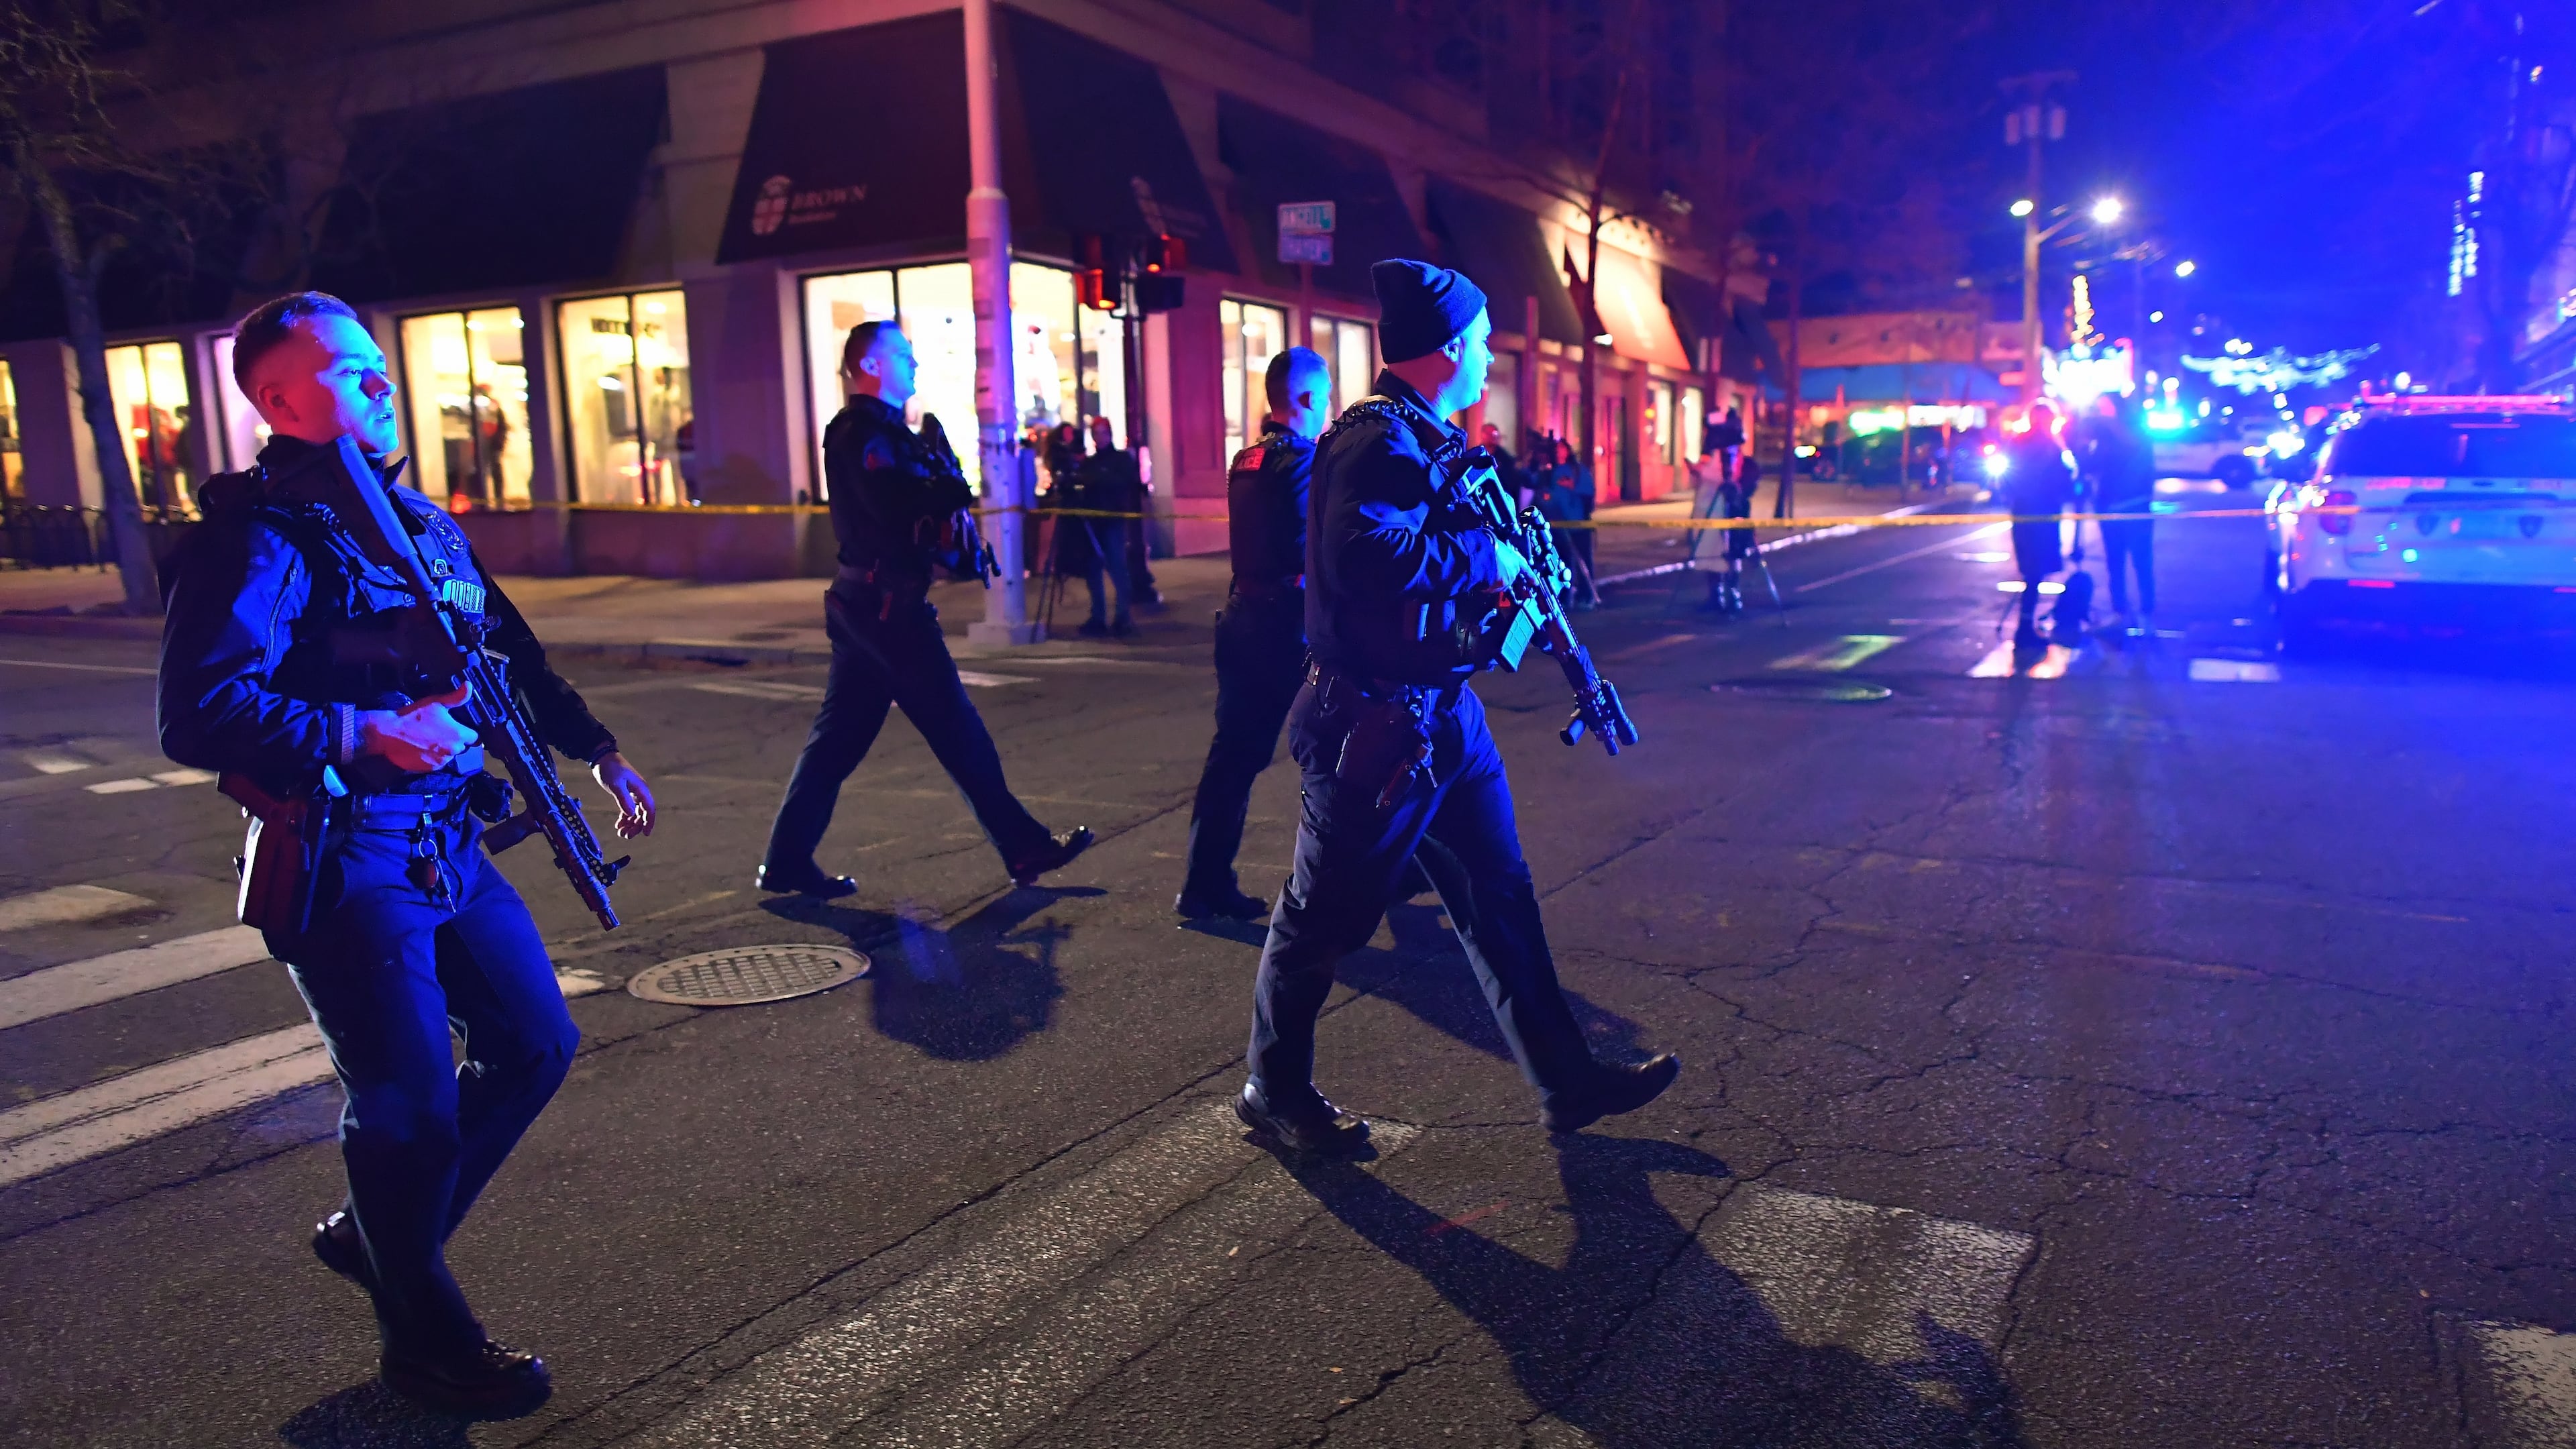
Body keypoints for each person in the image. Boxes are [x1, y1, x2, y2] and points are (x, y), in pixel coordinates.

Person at [158, 291, 659, 1419]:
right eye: (349, 372)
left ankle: (380, 1239)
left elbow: (505, 653)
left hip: (447, 840)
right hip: (342, 850)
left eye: (379, 366)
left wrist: (597, 749)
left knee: (536, 1043)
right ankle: (425, 1339)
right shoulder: (259, 534)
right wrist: (358, 731)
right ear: (278, 401)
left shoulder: (416, 519)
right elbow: (197, 712)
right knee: (407, 1108)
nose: (382, 384)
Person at [1234, 258, 1678, 1157]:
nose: (1486, 358)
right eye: (1477, 342)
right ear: (1443, 349)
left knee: (1500, 895)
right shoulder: (1374, 440)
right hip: (1369, 727)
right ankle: (1272, 1089)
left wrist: (1510, 575)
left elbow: (1434, 557)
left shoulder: (1427, 438)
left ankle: (1567, 1082)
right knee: (1324, 919)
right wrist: (1491, 560)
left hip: (1441, 717)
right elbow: (1364, 554)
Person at [758, 321, 1093, 897]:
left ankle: (786, 861)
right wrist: (948, 485)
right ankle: (1025, 846)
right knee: (958, 730)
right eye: (903, 354)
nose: (914, 363)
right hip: (885, 607)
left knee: (837, 741)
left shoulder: (889, 431)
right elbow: (893, 506)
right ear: (871, 366)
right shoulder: (856, 432)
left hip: (873, 602)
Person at [1177, 347, 1330, 920]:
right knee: (1350, 745)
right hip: (1288, 627)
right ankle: (1369, 882)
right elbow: (1311, 545)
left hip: (1243, 618)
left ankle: (1204, 882)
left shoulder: (1247, 459)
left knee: (1234, 758)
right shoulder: (1305, 464)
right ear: (1310, 399)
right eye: (1327, 395)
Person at [1999, 402, 2078, 649]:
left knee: (2031, 571)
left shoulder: (2017, 444)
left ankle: (2026, 623)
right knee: (2036, 572)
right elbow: (2065, 481)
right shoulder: (2051, 447)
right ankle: (2025, 626)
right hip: (2043, 515)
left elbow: (2005, 480)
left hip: (2023, 514)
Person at [2080, 392, 2158, 627]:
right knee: (2116, 562)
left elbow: (2145, 468)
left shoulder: (2134, 434)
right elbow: (2090, 466)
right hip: (2112, 509)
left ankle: (2146, 610)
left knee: (2140, 561)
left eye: (2105, 408)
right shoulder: (2104, 437)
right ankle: (2121, 610)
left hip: (2134, 507)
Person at [1070, 416, 1138, 637]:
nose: (1100, 438)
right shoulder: (1089, 463)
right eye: (1096, 434)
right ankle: (1098, 616)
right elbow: (1083, 483)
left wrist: (1096, 479)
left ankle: (1122, 617)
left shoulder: (1120, 459)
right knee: (1093, 571)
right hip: (1093, 523)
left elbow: (1122, 482)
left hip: (1113, 520)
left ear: (1109, 434)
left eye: (1103, 433)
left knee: (1118, 568)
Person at [1702, 451, 1761, 614]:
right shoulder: (1730, 492)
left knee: (1732, 563)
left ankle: (1730, 594)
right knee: (1719, 562)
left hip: (1735, 538)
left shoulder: (1743, 500)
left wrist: (1754, 546)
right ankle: (1721, 595)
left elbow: (1748, 524)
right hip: (1722, 534)